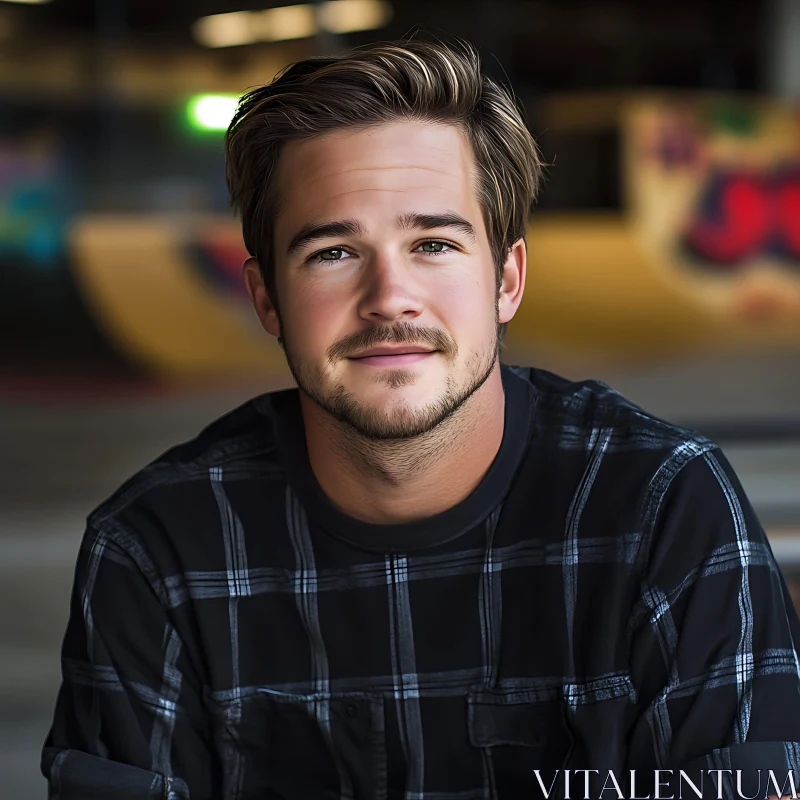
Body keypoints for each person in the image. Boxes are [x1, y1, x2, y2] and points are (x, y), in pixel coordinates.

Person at [42, 37, 800, 800]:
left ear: (506, 280)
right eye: (333, 252)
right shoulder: (156, 550)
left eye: (434, 243)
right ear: (266, 297)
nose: (390, 296)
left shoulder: (664, 508)